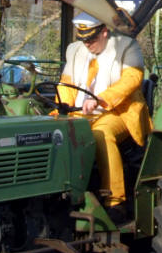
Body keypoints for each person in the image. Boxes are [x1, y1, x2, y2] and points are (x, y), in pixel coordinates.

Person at [57, 13, 152, 218]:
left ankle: (115, 200)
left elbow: (132, 79)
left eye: (91, 39)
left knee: (101, 134)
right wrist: (63, 105)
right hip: (81, 112)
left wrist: (100, 99)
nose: (87, 44)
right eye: (83, 39)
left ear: (104, 31)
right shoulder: (75, 51)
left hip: (118, 110)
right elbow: (67, 82)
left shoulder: (126, 47)